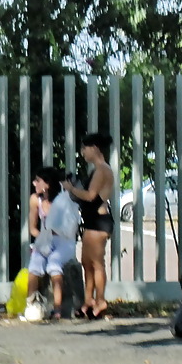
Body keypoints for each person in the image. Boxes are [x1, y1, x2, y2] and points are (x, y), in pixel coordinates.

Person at [63, 132, 115, 319]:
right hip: (91, 221)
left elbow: (91, 196)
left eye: (85, 148)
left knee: (96, 263)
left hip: (99, 222)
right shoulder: (97, 169)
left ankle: (100, 301)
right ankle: (88, 301)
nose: (82, 152)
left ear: (94, 148)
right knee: (86, 263)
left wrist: (71, 189)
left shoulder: (102, 170)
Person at [25, 166, 75, 320]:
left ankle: (57, 309)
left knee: (54, 263)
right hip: (45, 239)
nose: (34, 184)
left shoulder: (63, 200)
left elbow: (69, 228)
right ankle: (31, 305)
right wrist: (42, 239)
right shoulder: (35, 200)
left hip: (64, 241)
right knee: (35, 264)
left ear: (47, 184)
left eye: (37, 181)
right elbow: (33, 228)